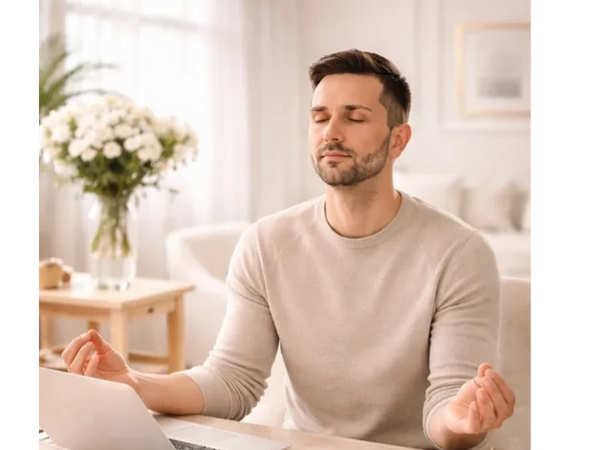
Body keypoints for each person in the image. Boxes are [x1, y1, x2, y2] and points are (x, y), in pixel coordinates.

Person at [61, 49, 516, 450]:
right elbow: (232, 381)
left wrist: (465, 421)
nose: (330, 132)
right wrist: (135, 385)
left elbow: (446, 408)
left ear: (398, 139)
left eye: (354, 117)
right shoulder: (267, 243)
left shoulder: (459, 253)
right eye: (320, 117)